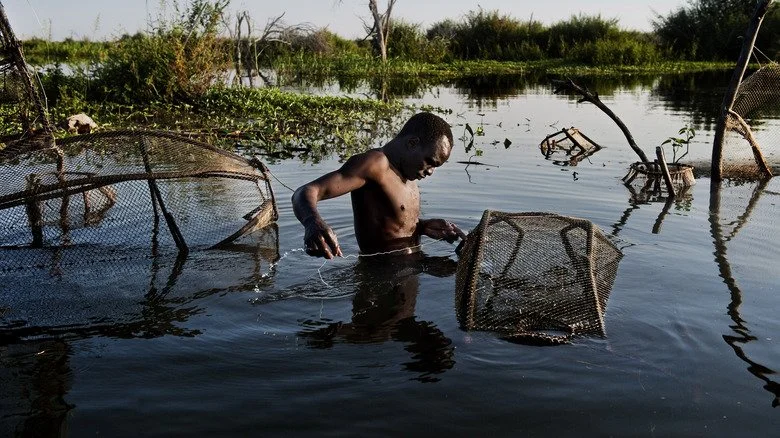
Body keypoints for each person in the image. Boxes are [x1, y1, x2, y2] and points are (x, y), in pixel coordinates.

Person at [292, 112, 466, 259]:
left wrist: (421, 227)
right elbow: (305, 192)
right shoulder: (375, 165)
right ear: (412, 143)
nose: (430, 172)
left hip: (408, 273)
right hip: (378, 283)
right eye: (429, 162)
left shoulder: (409, 171)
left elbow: (389, 222)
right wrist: (312, 223)